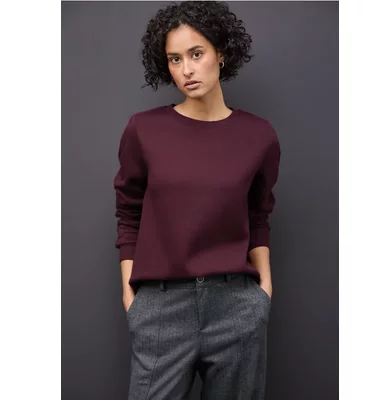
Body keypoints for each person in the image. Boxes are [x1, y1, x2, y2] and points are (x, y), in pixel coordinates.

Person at [113, 1, 281, 399]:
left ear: (221, 52)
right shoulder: (144, 130)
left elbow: (258, 215)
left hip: (236, 305)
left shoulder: (258, 135)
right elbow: (128, 212)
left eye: (196, 53)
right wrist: (131, 296)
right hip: (161, 306)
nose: (186, 69)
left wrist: (263, 292)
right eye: (175, 59)